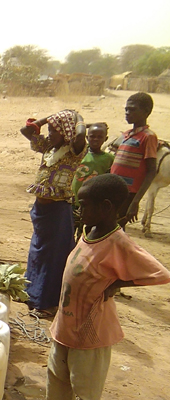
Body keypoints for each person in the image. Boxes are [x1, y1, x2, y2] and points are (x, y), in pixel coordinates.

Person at [46, 173, 170, 400]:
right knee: (56, 383)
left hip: (89, 335)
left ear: (105, 207)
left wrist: (116, 284)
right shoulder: (89, 233)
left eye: (83, 206)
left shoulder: (118, 242)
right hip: (65, 328)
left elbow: (159, 274)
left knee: (85, 389)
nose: (79, 210)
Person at [20, 109, 87, 317]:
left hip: (59, 209)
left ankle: (46, 303)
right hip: (41, 210)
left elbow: (81, 134)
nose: (50, 134)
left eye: (54, 131)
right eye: (49, 130)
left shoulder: (74, 151)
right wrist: (48, 118)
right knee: (38, 252)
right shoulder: (48, 147)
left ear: (66, 132)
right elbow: (26, 131)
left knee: (53, 256)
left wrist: (77, 118)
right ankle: (31, 293)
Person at [109, 92, 158, 229]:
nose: (127, 112)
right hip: (114, 188)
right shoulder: (125, 135)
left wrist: (135, 202)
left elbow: (151, 171)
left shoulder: (148, 137)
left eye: (132, 109)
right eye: (126, 109)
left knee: (116, 228)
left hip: (128, 193)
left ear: (146, 112)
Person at [71, 123, 114, 239]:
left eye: (100, 137)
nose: (95, 139)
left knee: (84, 235)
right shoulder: (78, 154)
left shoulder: (109, 159)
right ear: (87, 137)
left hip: (91, 205)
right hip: (72, 202)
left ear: (105, 139)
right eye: (92, 136)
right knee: (67, 235)